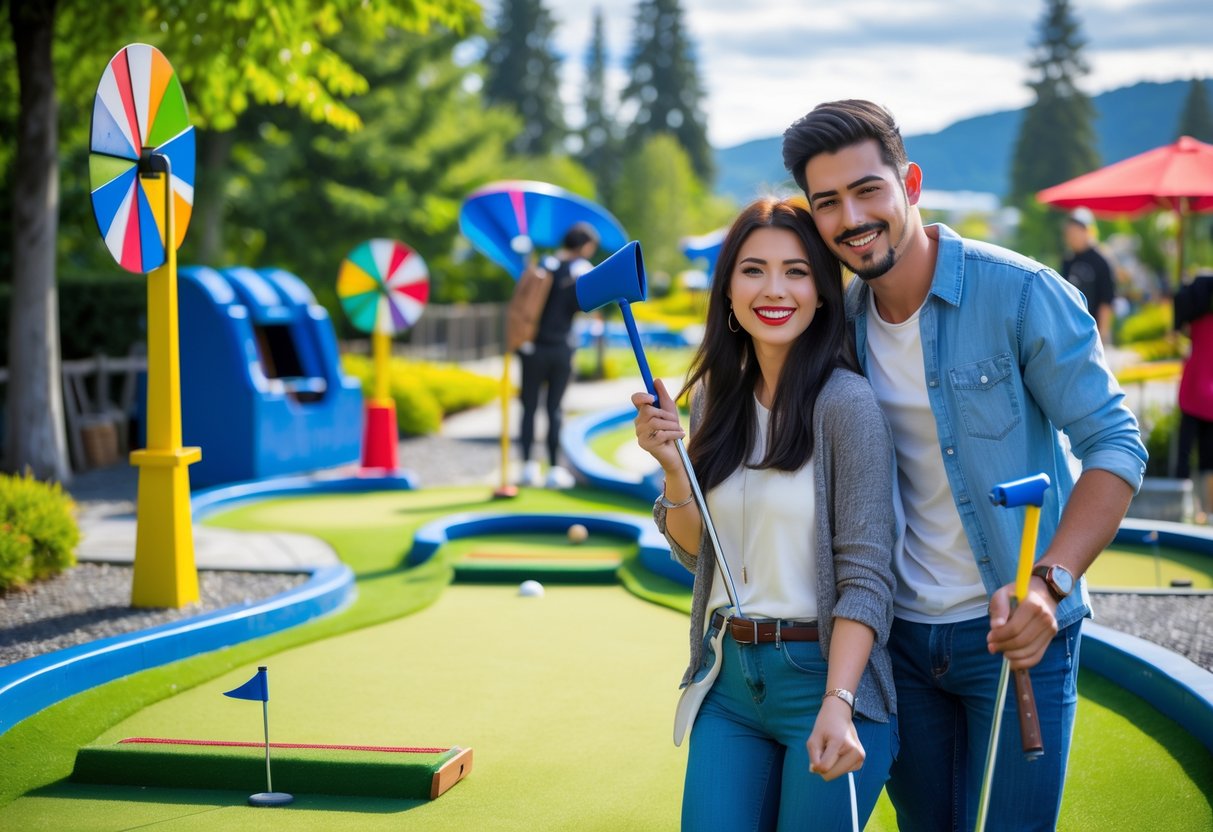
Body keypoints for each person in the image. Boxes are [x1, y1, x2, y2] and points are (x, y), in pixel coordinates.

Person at [781, 100, 1147, 832]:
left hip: (1019, 633)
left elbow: (1115, 442)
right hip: (900, 644)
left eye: (867, 190)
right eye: (827, 202)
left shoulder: (1017, 293)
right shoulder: (837, 326)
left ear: (909, 183)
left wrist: (1051, 583)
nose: (850, 216)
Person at [632, 196, 898, 830]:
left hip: (822, 679)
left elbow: (866, 578)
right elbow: (703, 555)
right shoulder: (714, 401)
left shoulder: (846, 404)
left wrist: (839, 701)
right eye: (753, 270)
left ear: (822, 292)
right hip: (728, 680)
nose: (773, 289)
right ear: (727, 290)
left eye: (797, 271)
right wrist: (674, 470)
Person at [517, 222, 598, 489]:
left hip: (531, 347)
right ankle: (553, 468)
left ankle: (527, 467)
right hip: (561, 348)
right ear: (585, 246)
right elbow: (584, 306)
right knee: (554, 409)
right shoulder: (580, 271)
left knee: (529, 406)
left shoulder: (544, 264)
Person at [1173, 269, 1213, 519]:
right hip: (1207, 398)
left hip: (1193, 394)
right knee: (1209, 458)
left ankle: (1183, 510)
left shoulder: (1196, 323)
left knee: (1184, 454)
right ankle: (1208, 512)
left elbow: (1179, 334)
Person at [1061, 207, 1117, 344]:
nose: (1070, 238)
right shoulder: (1068, 261)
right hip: (1072, 330)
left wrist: (1102, 334)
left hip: (1094, 329)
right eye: (1068, 234)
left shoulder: (1101, 260)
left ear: (1086, 231)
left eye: (1074, 232)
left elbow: (1106, 300)